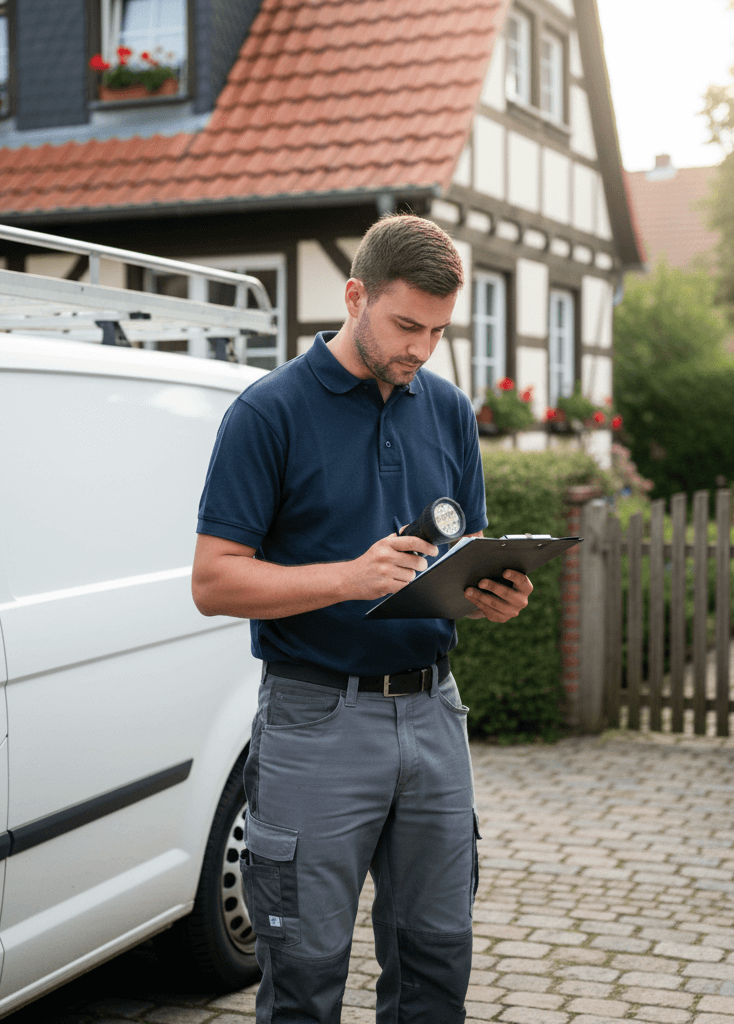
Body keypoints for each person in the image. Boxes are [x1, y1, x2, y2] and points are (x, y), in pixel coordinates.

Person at [192, 213, 533, 1024]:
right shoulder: (267, 413)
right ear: (355, 296)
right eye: (405, 324)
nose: (420, 347)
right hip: (316, 719)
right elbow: (213, 581)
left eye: (438, 331)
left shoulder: (448, 410)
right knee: (305, 973)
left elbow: (465, 544)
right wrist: (347, 578)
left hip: (435, 714)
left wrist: (493, 590)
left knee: (436, 958)